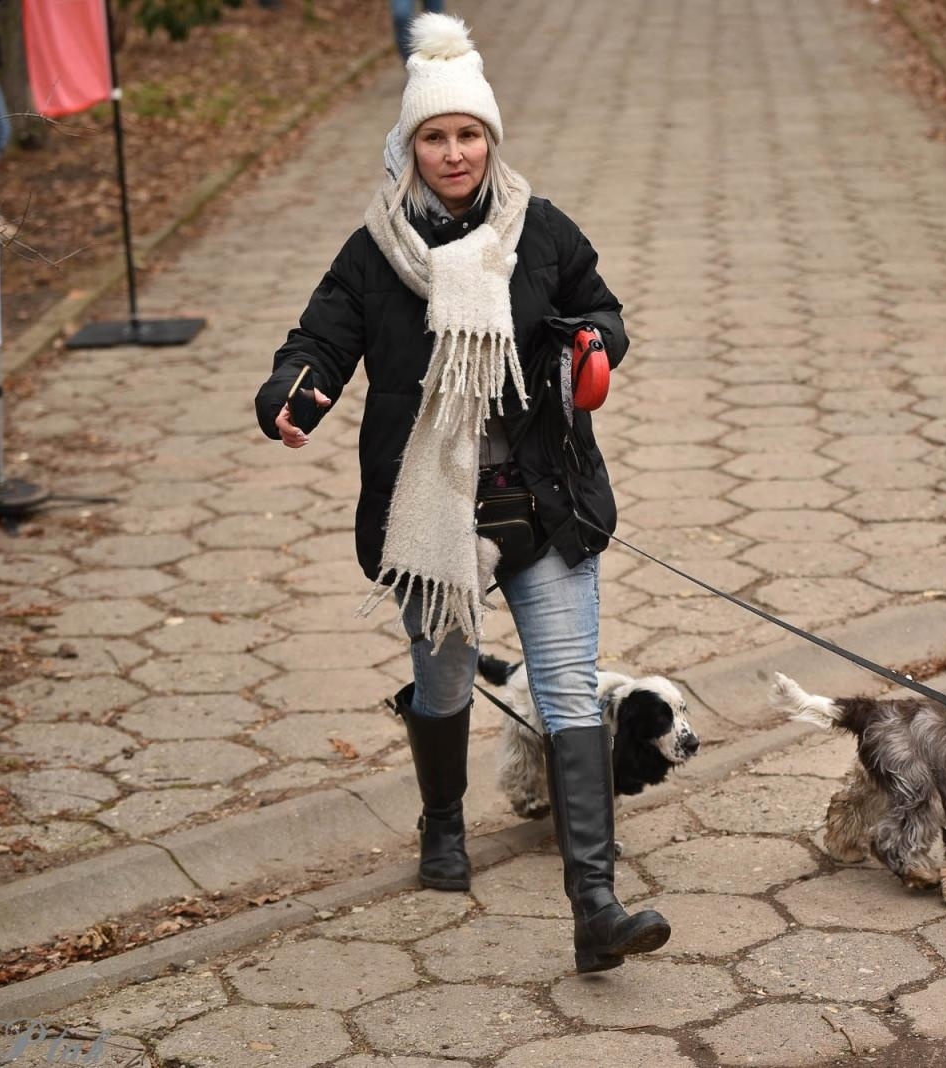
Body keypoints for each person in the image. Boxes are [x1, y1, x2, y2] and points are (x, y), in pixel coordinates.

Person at [253, 12, 669, 974]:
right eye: (435, 137)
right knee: (444, 681)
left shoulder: (543, 230)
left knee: (568, 689)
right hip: (432, 510)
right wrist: (293, 392)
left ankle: (596, 906)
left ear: (491, 141)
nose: (454, 152)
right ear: (409, 148)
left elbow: (599, 306)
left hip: (545, 499)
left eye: (469, 134)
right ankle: (443, 822)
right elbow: (317, 341)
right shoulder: (373, 254)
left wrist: (593, 345)